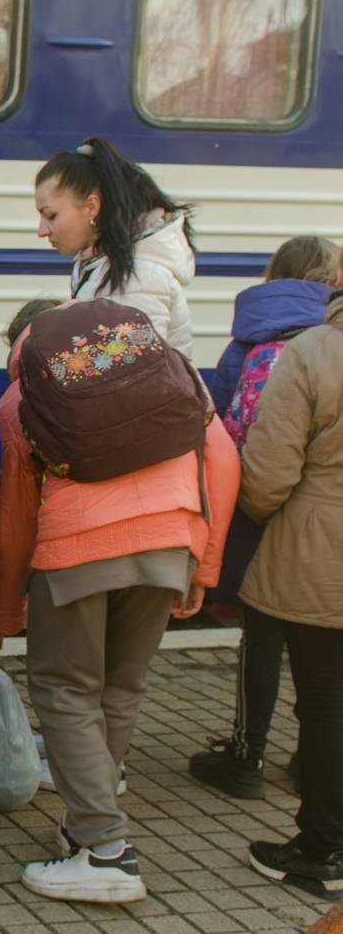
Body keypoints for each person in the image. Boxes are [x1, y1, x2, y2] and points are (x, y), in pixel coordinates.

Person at [0, 310, 239, 904]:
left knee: (66, 689)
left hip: (79, 553)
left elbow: (13, 520)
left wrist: (3, 615)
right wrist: (208, 564)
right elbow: (221, 459)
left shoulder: (23, 396)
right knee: (120, 687)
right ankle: (87, 824)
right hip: (172, 539)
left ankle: (105, 850)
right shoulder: (169, 367)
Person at [190, 235, 337, 799]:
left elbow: (221, 425)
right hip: (326, 514)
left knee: (262, 636)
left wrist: (246, 509)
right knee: (324, 645)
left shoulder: (249, 340)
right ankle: (312, 757)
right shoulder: (329, 342)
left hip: (264, 504)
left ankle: (246, 756)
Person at [239, 279, 343, 900]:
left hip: (321, 548)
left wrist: (262, 513)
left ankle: (322, 847)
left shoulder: (313, 351)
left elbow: (271, 470)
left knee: (327, 705)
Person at [35, 137, 197, 357]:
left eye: (51, 215)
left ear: (91, 207)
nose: (42, 230)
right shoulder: (104, 265)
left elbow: (134, 375)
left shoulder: (138, 275)